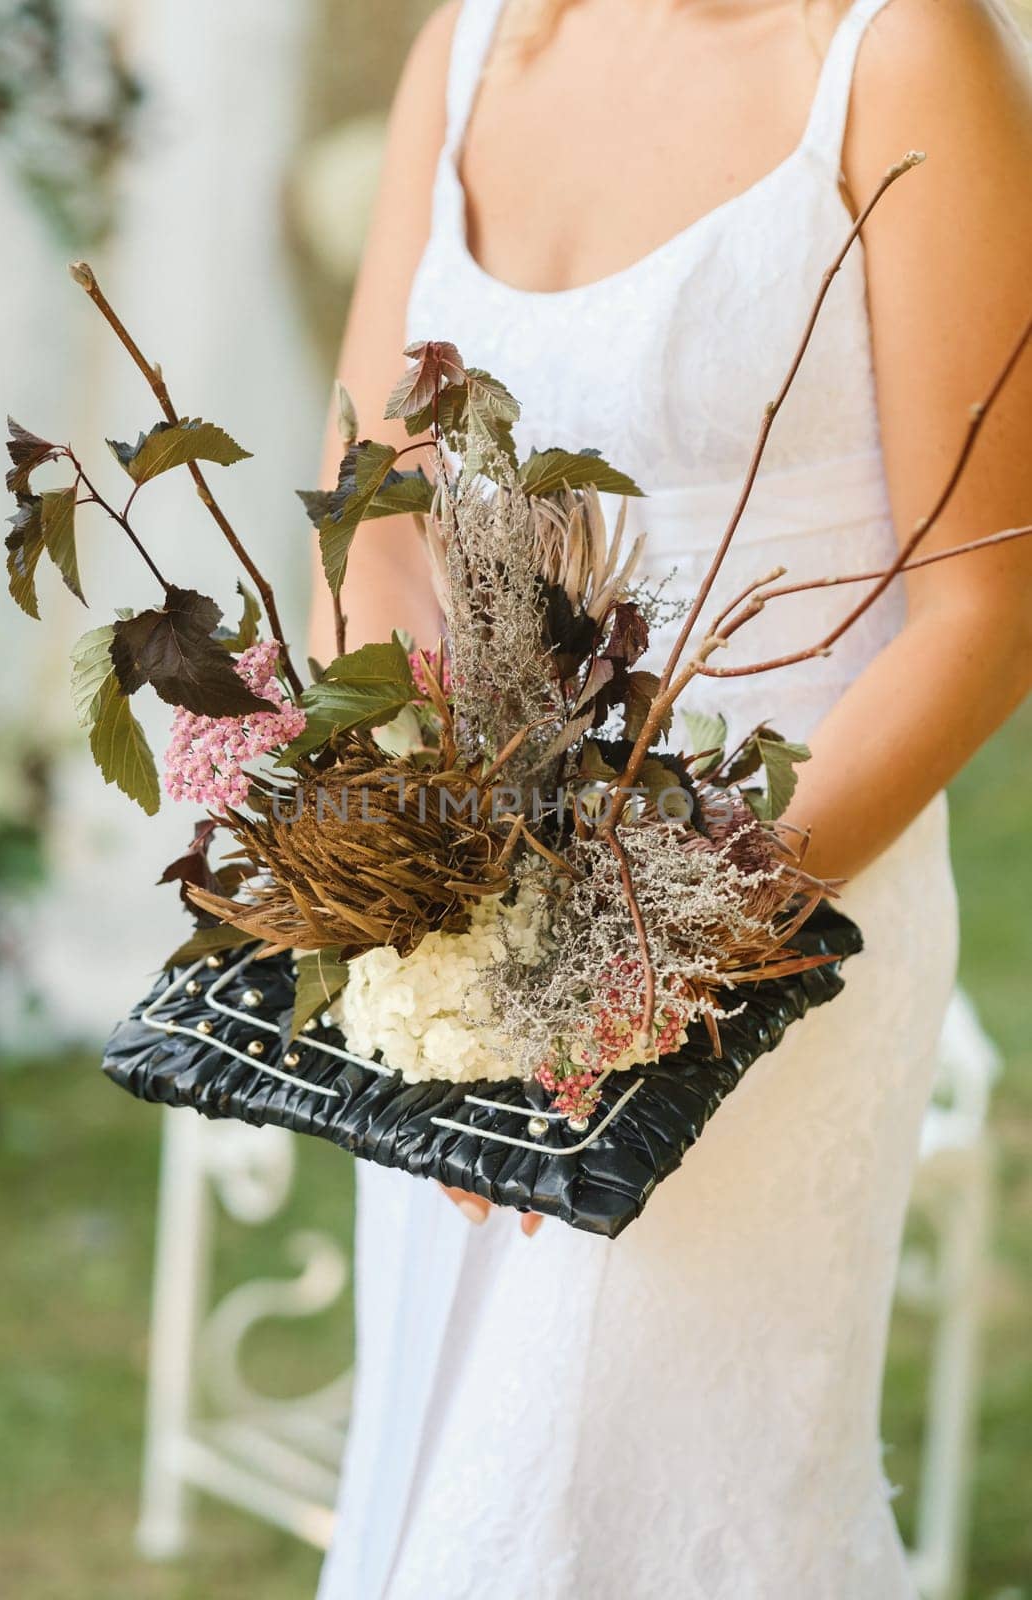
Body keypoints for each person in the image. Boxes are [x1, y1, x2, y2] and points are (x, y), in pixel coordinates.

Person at [311, 1, 1032, 1594]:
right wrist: (421, 871)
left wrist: (633, 965)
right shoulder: (476, 45)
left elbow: (988, 608)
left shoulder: (903, 52)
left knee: (624, 1511)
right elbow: (371, 502)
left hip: (774, 918)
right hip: (479, 934)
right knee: (449, 1479)